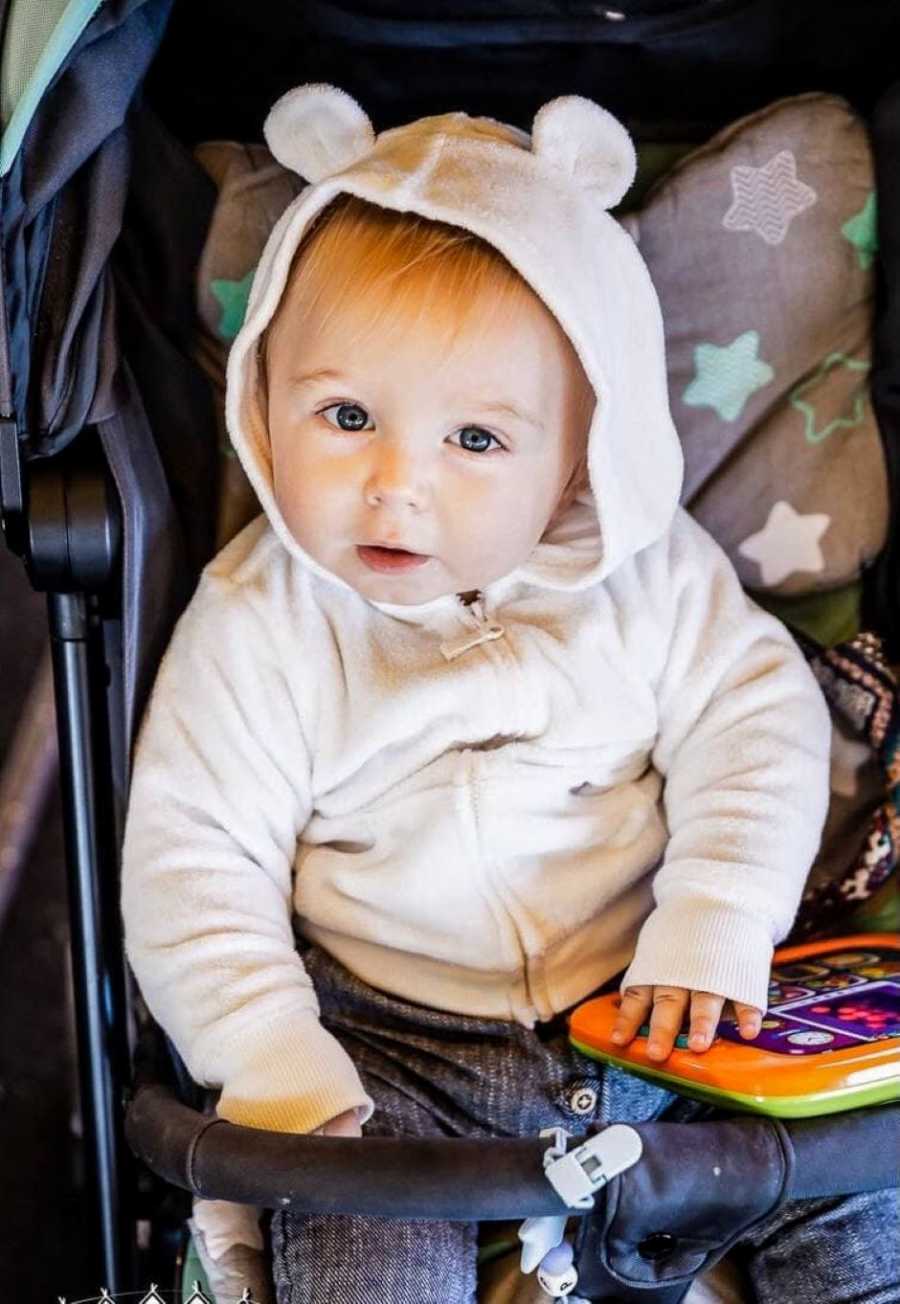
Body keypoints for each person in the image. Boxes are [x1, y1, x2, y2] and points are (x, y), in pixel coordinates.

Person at [121, 85, 896, 1303]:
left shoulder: (648, 578)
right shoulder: (259, 620)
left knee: (861, 1204)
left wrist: (720, 916)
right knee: (357, 1255)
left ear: (583, 453)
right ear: (263, 403)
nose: (395, 487)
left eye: (475, 439)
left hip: (662, 1001)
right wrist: (271, 1052)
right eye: (345, 415)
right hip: (385, 1047)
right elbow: (190, 860)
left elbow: (759, 729)